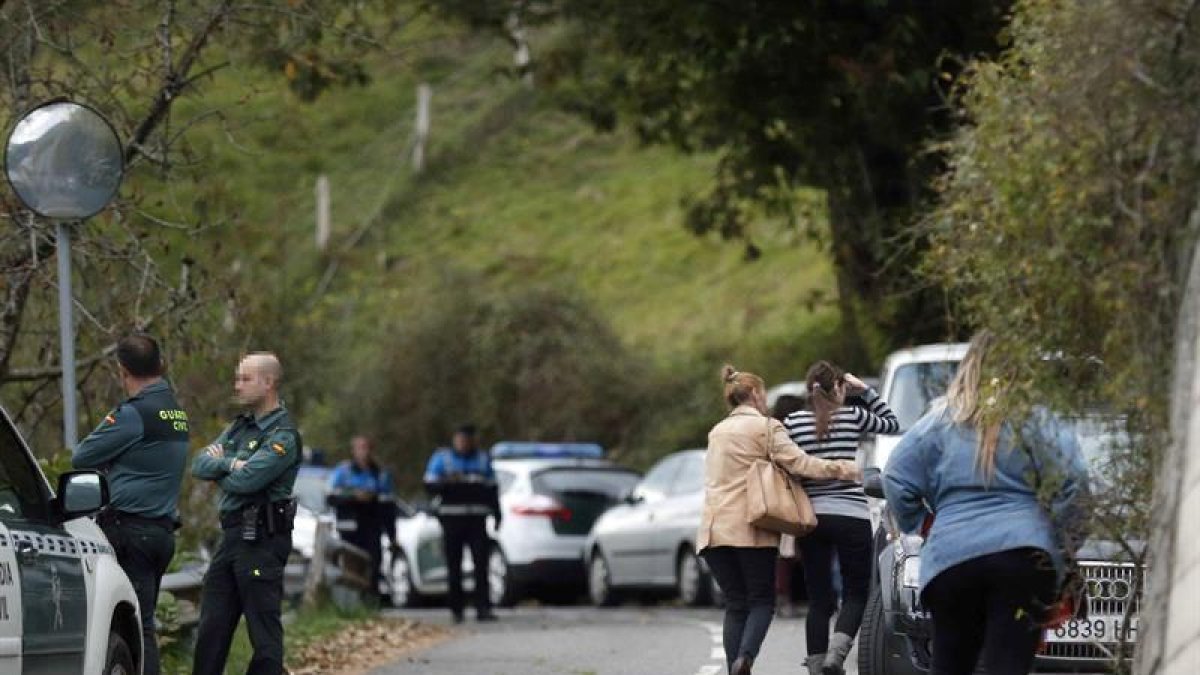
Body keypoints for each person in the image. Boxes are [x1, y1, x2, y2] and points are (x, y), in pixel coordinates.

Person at [883, 331, 1090, 675]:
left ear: (969, 367)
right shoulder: (1038, 420)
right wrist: (1060, 541)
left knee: (950, 665)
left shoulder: (939, 420)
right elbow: (1075, 482)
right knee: (1007, 665)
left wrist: (924, 526)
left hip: (950, 561)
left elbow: (895, 478)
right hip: (1023, 559)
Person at [699, 366, 859, 675]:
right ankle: (744, 658)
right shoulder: (766, 427)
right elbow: (800, 462)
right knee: (761, 602)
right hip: (749, 529)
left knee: (735, 604)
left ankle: (737, 668)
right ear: (757, 394)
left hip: (712, 531)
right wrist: (841, 468)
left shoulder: (716, 431)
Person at [73, 334, 189, 675]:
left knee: (138, 627)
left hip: (130, 532)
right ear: (161, 364)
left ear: (123, 371)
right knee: (144, 622)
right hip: (161, 532)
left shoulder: (134, 414)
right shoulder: (176, 412)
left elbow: (83, 455)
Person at [783, 361, 898, 675]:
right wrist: (866, 391)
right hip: (851, 516)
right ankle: (837, 655)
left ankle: (817, 667)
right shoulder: (853, 416)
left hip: (812, 518)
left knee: (819, 599)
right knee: (857, 592)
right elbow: (893, 423)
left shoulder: (793, 422)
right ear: (839, 387)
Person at [191, 353, 302, 675]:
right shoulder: (239, 428)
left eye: (245, 379)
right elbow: (199, 464)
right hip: (232, 537)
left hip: (262, 540)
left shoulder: (282, 436)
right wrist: (229, 463)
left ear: (268, 383)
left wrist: (225, 469)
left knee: (263, 632)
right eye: (237, 378)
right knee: (212, 628)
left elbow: (247, 480)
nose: (237, 385)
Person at [424, 424, 501, 623]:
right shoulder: (442, 459)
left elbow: (492, 490)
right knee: (453, 565)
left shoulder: (483, 459)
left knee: (481, 564)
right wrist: (447, 482)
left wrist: (498, 514)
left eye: (467, 439)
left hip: (477, 520)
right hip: (451, 520)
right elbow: (429, 486)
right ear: (454, 440)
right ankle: (456, 609)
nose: (464, 443)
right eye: (460, 439)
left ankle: (483, 607)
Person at [327, 435, 400, 595]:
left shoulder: (380, 474)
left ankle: (371, 605)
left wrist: (392, 535)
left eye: (367, 447)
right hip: (349, 531)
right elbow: (331, 498)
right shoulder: (343, 472)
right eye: (360, 448)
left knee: (373, 567)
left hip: (372, 528)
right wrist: (354, 496)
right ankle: (352, 607)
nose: (364, 452)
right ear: (353, 451)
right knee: (351, 569)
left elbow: (388, 506)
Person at [770, 393, 808, 619]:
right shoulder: (785, 437)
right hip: (787, 499)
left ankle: (782, 597)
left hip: (775, 499)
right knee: (786, 552)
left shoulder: (771, 434)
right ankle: (783, 597)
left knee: (785, 552)